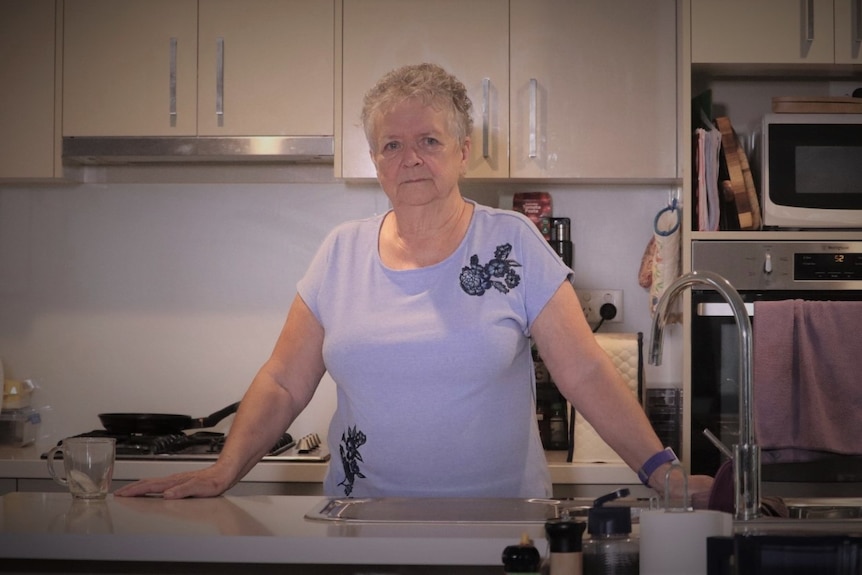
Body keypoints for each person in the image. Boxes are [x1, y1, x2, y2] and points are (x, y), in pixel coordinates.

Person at [116, 63, 713, 504]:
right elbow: (282, 381)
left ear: (462, 151)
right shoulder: (340, 253)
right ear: (375, 160)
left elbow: (583, 371)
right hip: (358, 524)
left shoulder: (512, 244)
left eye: (428, 140)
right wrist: (224, 470)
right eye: (392, 145)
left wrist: (661, 469)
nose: (411, 159)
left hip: (501, 529)